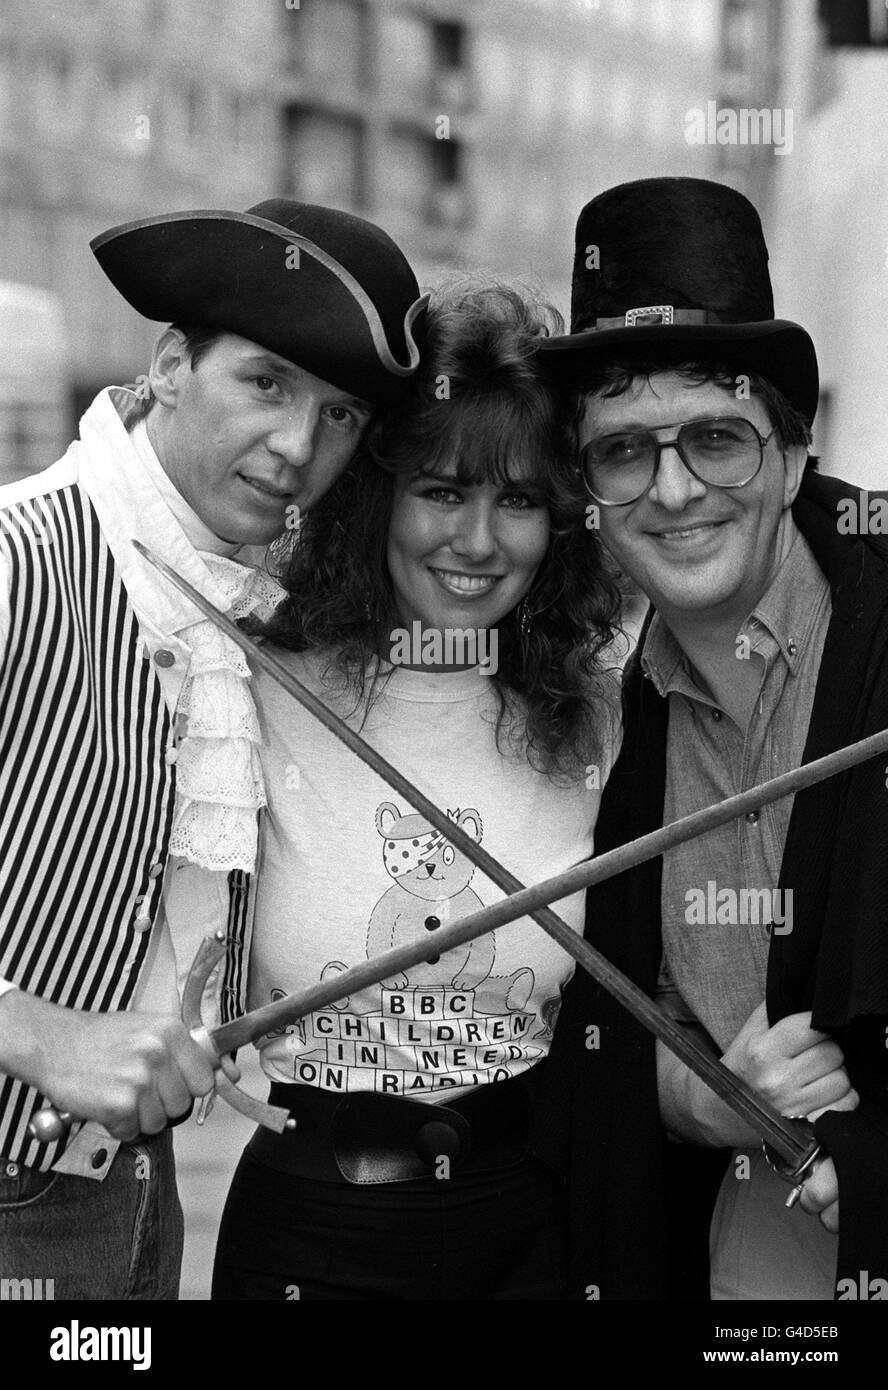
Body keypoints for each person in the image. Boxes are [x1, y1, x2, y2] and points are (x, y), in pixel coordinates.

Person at [0, 198, 426, 1299]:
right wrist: (35, 1034)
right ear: (172, 361)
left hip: (131, 1202)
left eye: (339, 417)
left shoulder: (241, 610)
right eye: (267, 383)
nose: (297, 448)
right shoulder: (16, 556)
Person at [210, 282, 622, 1301]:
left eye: (519, 499)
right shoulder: (249, 684)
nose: (479, 542)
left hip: (529, 1234)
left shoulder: (602, 718)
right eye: (442, 489)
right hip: (306, 1229)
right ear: (375, 489)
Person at [535, 175, 888, 1301]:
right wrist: (697, 1096)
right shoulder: (621, 721)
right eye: (625, 451)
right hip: (752, 1266)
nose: (674, 488)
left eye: (718, 439)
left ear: (791, 457)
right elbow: (612, 1041)